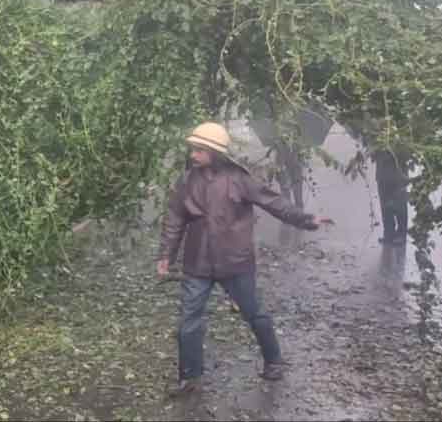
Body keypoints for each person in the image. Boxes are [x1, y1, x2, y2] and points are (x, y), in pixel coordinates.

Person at [156, 122, 333, 396]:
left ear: (215, 152)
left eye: (199, 150)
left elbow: (274, 203)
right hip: (197, 263)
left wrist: (307, 219)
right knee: (188, 321)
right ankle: (190, 377)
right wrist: (165, 255)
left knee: (254, 313)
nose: (193, 154)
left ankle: (274, 360)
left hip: (235, 261)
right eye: (193, 148)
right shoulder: (186, 181)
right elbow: (174, 219)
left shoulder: (240, 178)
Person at [373, 148, 410, 244]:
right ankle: (389, 233)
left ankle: (401, 234)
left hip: (398, 173)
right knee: (385, 205)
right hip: (382, 172)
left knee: (399, 204)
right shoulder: (377, 135)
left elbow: (407, 153)